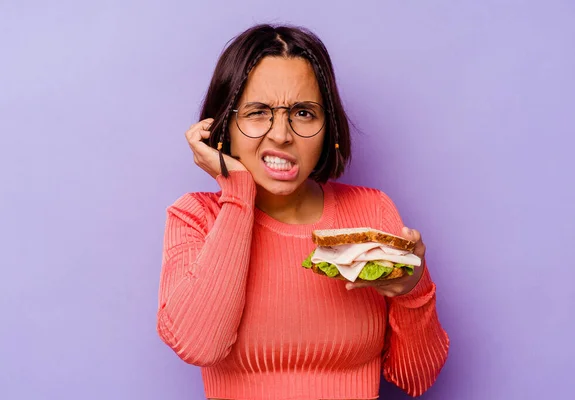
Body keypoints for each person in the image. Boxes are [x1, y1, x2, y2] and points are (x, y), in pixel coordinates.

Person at [156, 24, 449, 399]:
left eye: (304, 113)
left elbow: (416, 379)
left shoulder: (371, 210)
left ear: (329, 127)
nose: (282, 134)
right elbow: (199, 346)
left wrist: (413, 290)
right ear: (224, 125)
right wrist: (238, 192)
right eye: (258, 112)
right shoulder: (196, 217)